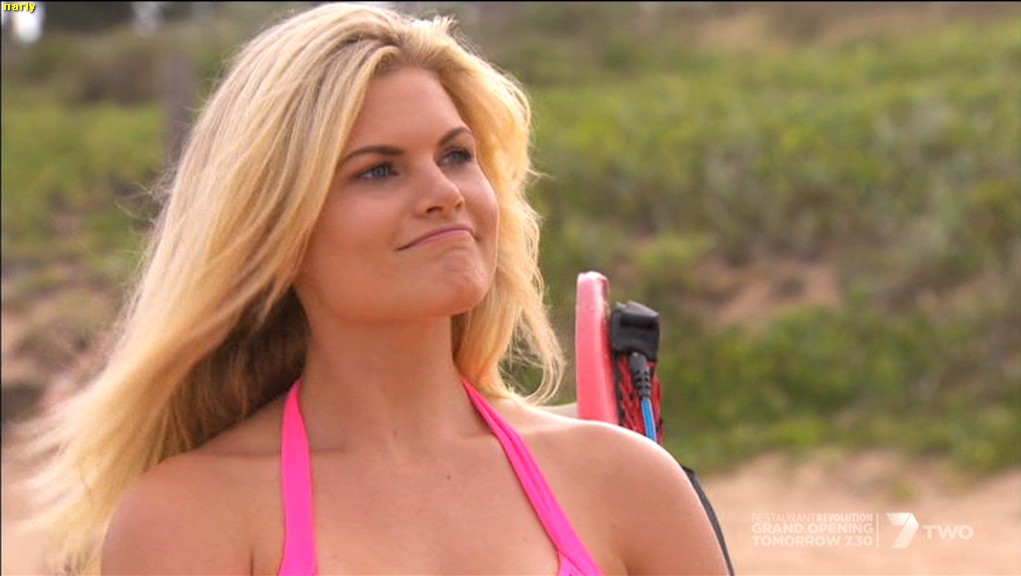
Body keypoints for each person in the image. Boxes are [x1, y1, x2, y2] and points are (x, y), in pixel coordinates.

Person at [20, 3, 731, 574]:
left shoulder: (625, 483)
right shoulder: (192, 516)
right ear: (280, 230)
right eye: (378, 171)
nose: (445, 193)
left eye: (456, 155)